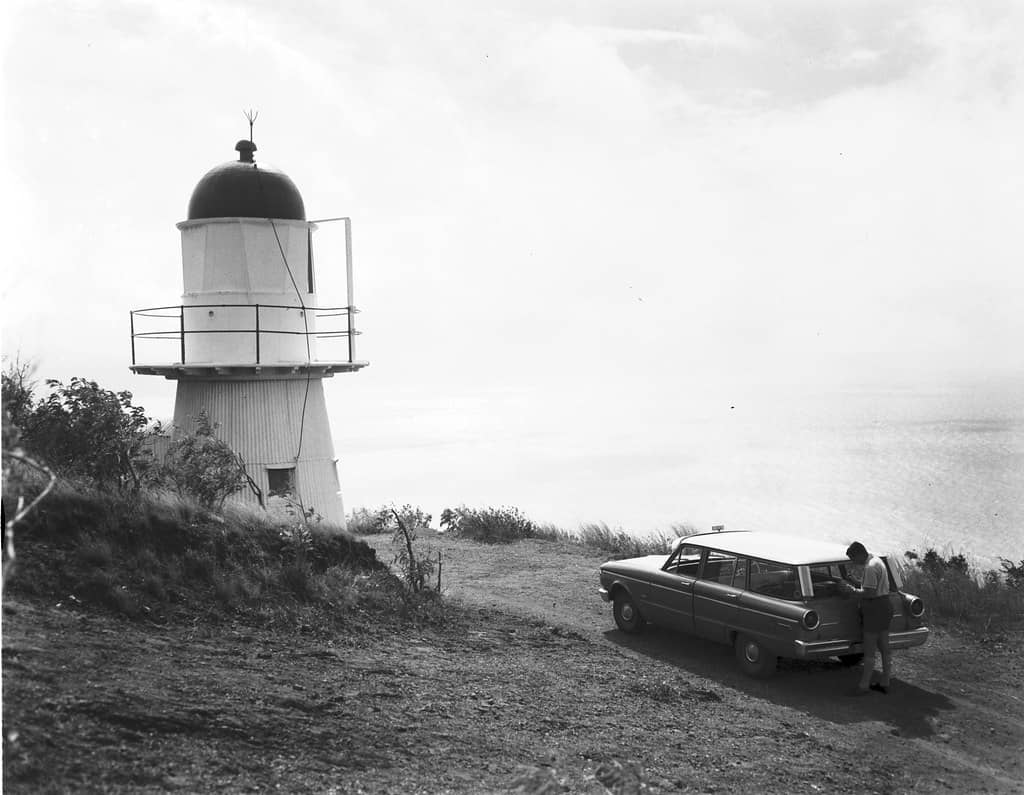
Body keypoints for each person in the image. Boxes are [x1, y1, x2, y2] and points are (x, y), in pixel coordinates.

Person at [844, 541, 893, 696]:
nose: (854, 563)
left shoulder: (870, 568)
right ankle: (885, 681)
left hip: (874, 607)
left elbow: (869, 593)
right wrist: (856, 582)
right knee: (885, 647)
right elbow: (873, 587)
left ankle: (864, 685)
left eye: (853, 559)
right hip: (885, 604)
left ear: (859, 554)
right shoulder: (877, 561)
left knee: (870, 649)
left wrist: (850, 590)